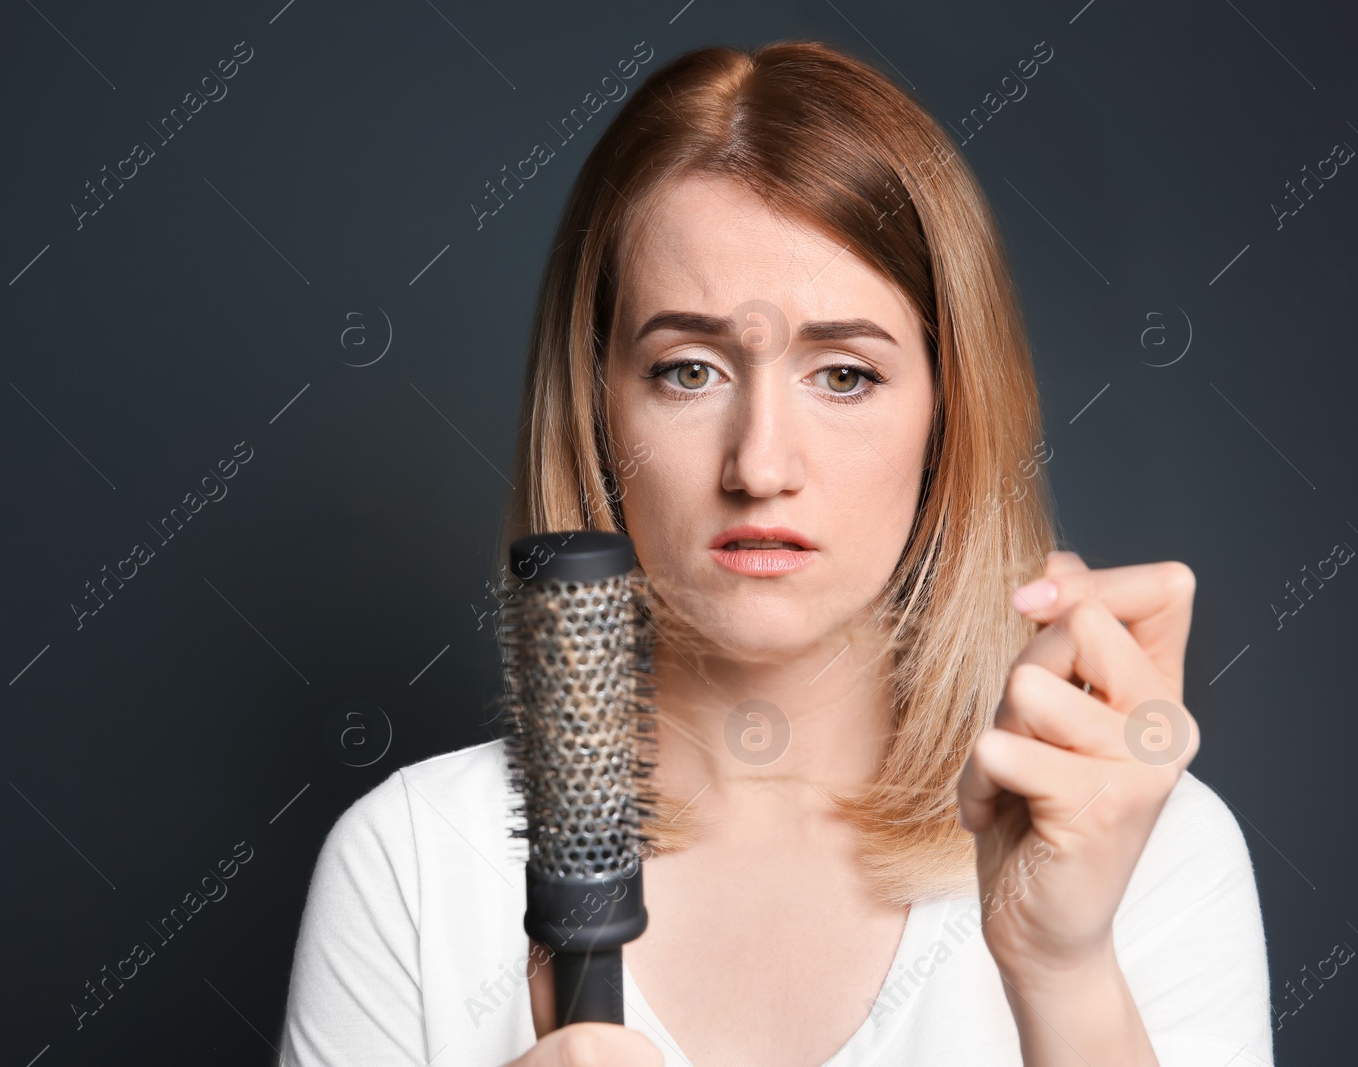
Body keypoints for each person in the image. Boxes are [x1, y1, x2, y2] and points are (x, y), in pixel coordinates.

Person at [278, 39, 1273, 1066]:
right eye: (688, 369)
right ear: (595, 408)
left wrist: (1062, 971)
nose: (759, 465)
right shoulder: (415, 862)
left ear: (948, 417)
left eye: (842, 375)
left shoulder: (1141, 848)